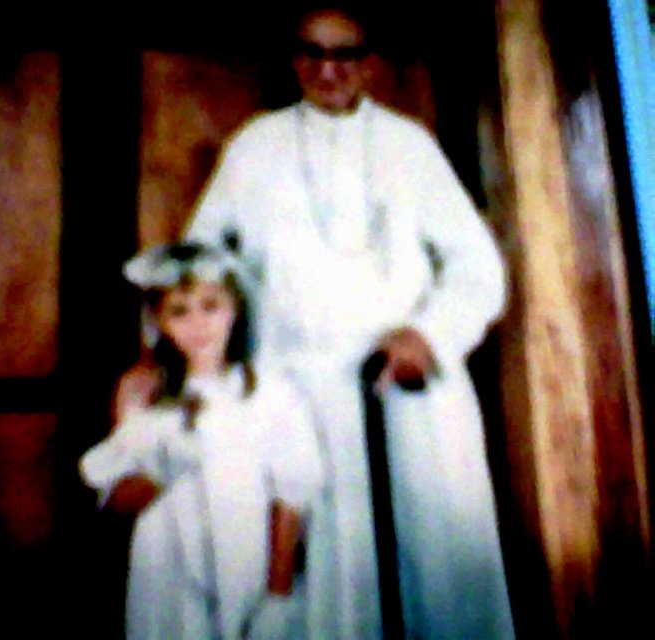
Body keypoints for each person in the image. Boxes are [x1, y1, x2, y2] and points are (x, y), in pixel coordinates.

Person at [178, 5, 517, 639]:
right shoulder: (255, 146)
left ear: (368, 65)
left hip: (405, 389)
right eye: (313, 53)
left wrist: (429, 335)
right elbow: (196, 267)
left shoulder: (409, 146)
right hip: (295, 397)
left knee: (432, 571)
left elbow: (478, 268)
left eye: (345, 55)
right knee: (316, 588)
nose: (328, 70)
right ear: (294, 61)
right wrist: (174, 361)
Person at [81, 242, 323, 639]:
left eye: (211, 306)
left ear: (234, 309)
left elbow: (291, 496)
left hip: (244, 555)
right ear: (159, 321)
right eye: (179, 311)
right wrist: (164, 468)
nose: (198, 323)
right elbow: (119, 501)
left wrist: (278, 595)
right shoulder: (145, 393)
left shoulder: (270, 392)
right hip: (167, 566)